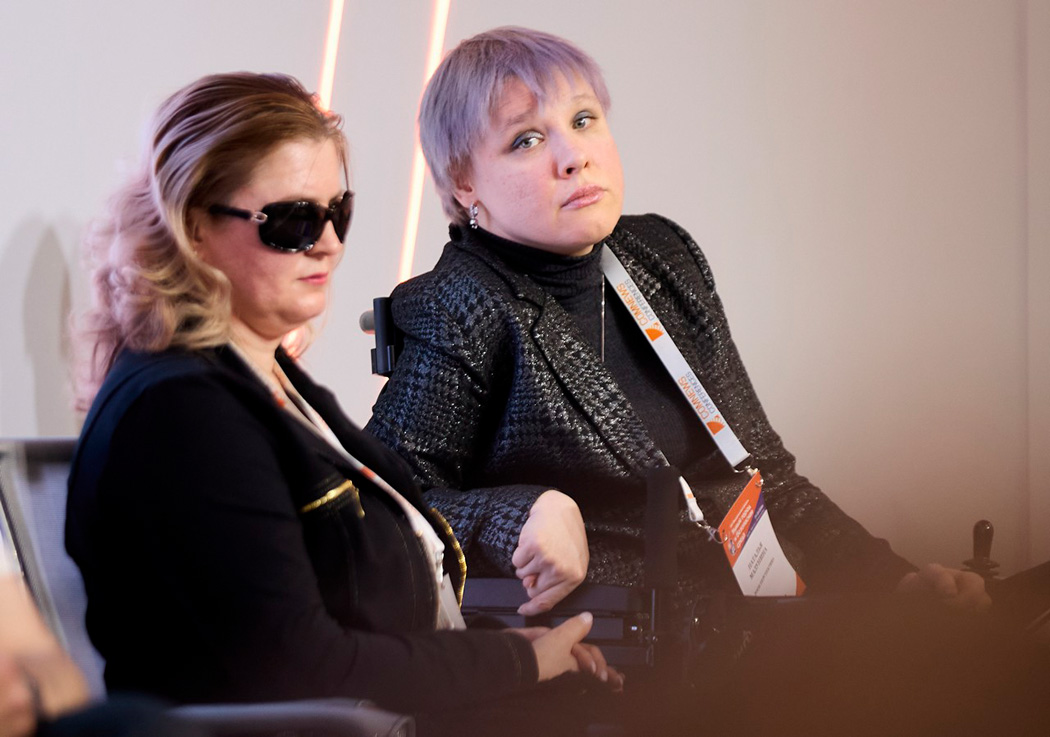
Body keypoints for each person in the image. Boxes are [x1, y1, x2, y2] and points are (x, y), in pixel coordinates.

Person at [365, 26, 989, 619]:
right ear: (464, 183)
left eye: (583, 120)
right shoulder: (459, 305)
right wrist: (522, 514)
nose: (573, 156)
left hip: (766, 619)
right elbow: (381, 510)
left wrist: (891, 580)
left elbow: (764, 474)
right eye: (526, 140)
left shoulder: (662, 256)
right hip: (620, 651)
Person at [65, 72, 620, 737]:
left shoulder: (262, 378)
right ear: (195, 227)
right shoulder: (185, 414)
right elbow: (302, 662)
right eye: (293, 221)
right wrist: (513, 662)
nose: (328, 242)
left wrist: (509, 652)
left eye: (338, 214)